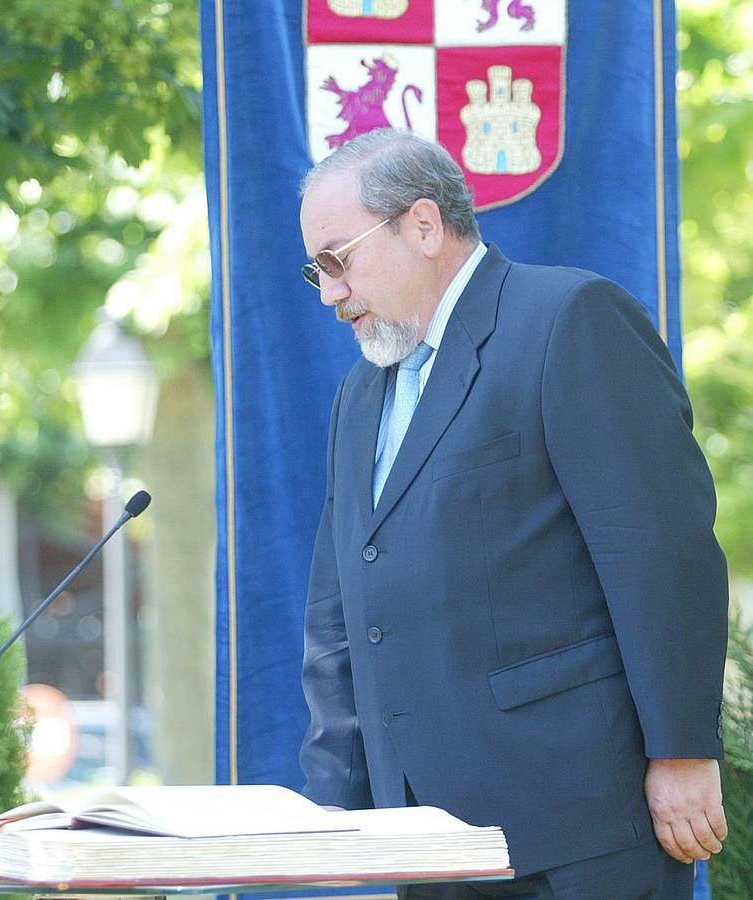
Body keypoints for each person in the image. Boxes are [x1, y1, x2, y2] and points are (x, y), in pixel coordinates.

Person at [297, 128, 729, 899]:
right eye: (316, 271)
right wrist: (335, 803)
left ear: (423, 226)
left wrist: (683, 753)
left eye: (338, 260)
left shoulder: (567, 318)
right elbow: (339, 605)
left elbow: (657, 551)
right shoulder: (360, 394)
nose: (330, 292)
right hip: (424, 840)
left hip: (579, 825)